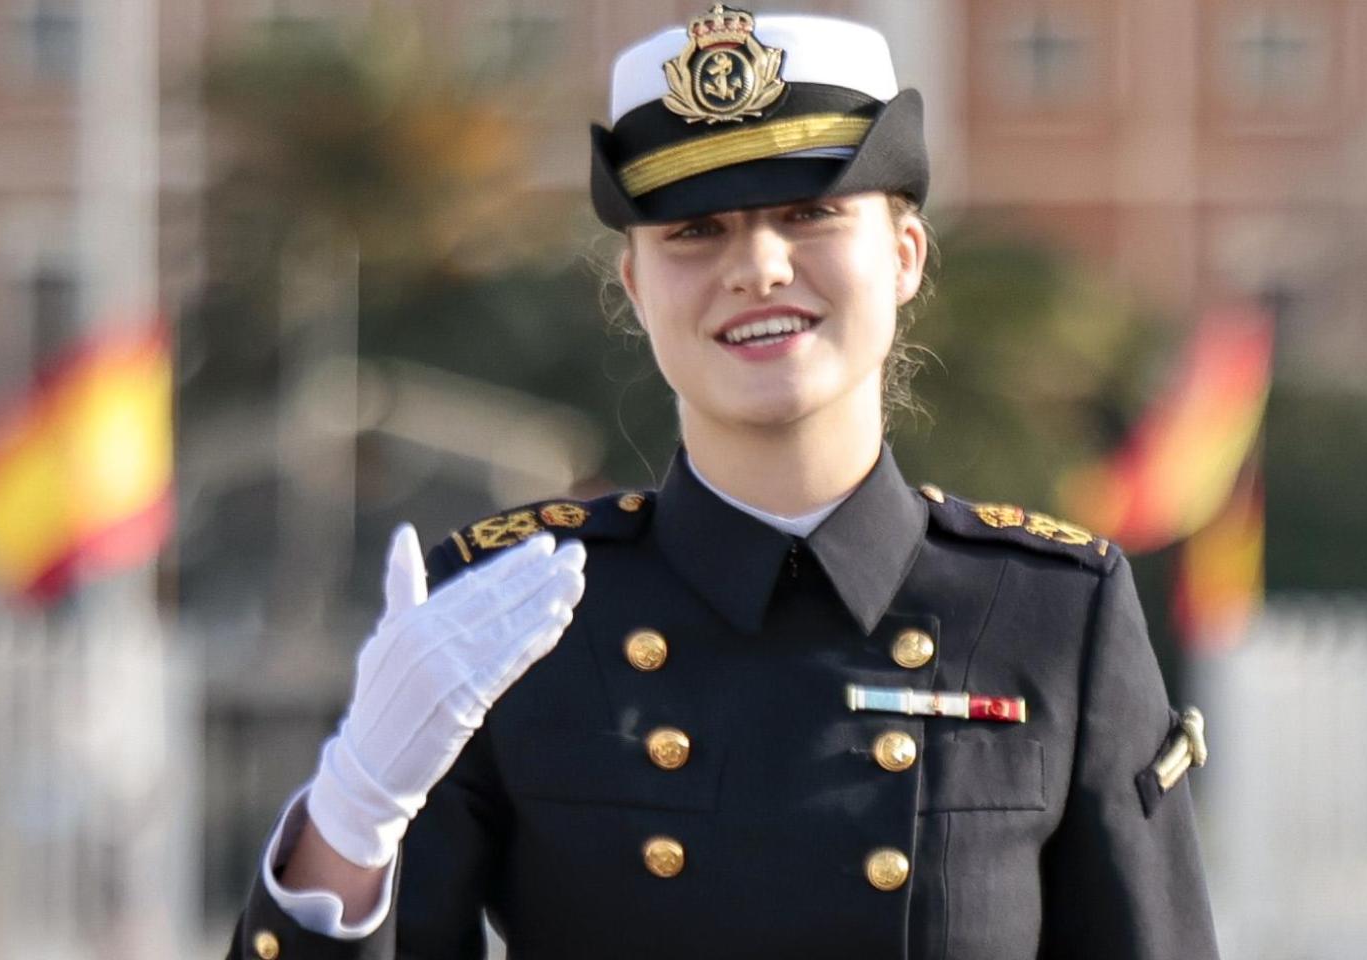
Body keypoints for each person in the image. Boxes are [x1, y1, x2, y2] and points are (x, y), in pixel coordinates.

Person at [226, 6, 1220, 959]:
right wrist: (347, 833)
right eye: (694, 234)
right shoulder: (511, 615)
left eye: (808, 213)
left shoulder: (1048, 614)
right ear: (634, 286)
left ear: (904, 254)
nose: (755, 267)